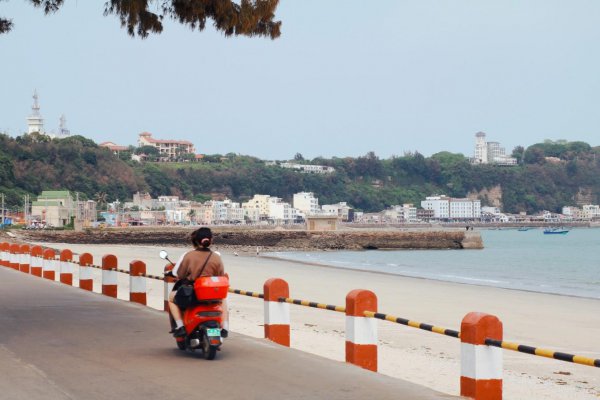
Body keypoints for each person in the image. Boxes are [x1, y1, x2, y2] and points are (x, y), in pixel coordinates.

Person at [168, 227, 229, 338]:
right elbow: (221, 276)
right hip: (212, 294)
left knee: (171, 299)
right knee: (224, 300)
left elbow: (180, 274)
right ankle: (225, 327)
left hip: (194, 294)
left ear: (195, 240)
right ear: (211, 240)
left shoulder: (189, 256)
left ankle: (180, 326)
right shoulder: (216, 257)